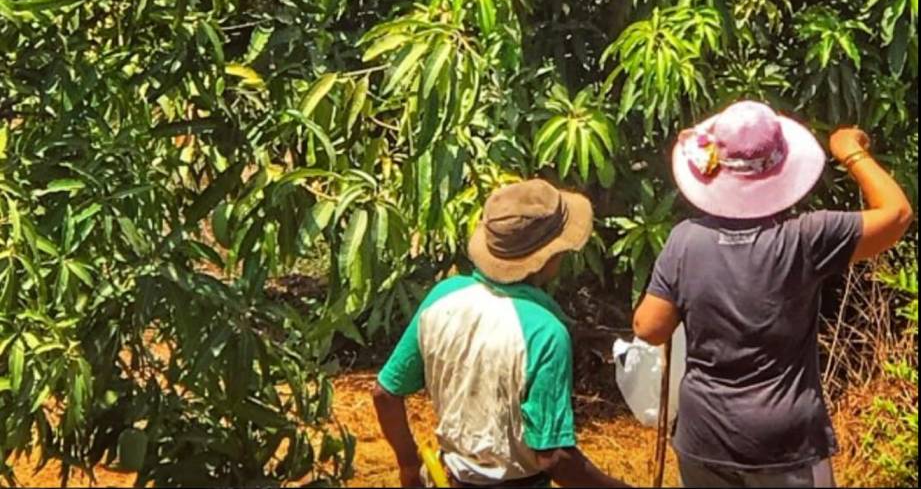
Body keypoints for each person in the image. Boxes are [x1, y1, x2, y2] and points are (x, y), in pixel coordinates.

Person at [633, 100, 914, 489]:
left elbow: (649, 328)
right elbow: (897, 214)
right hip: (782, 442)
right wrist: (851, 151)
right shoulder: (806, 238)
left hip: (705, 436)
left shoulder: (685, 240)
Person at [373, 179, 630, 488]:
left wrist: (409, 464)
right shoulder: (545, 333)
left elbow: (385, 394)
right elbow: (554, 458)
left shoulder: (442, 297)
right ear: (550, 256)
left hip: (447, 477)